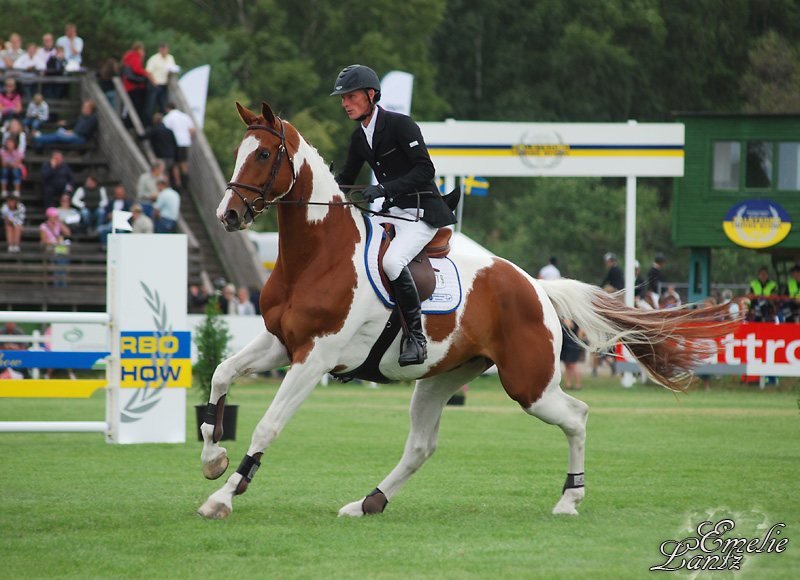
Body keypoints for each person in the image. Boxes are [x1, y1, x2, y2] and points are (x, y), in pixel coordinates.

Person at [331, 64, 456, 366]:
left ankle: (416, 337)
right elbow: (346, 178)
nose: (345, 104)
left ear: (371, 95)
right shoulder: (359, 137)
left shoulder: (401, 125)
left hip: (421, 211)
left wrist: (384, 189)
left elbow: (425, 169)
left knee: (390, 261)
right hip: (392, 213)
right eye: (343, 98)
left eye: (351, 97)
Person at [162, 102, 194, 188]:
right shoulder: (185, 116)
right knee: (183, 162)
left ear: (168, 109)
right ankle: (185, 177)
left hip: (175, 142)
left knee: (175, 164)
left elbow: (165, 131)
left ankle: (178, 183)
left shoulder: (167, 118)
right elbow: (191, 129)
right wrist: (188, 138)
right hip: (185, 142)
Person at [121, 42, 153, 126]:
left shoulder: (128, 56)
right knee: (137, 107)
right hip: (135, 87)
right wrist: (146, 73)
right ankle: (134, 124)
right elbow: (136, 69)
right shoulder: (135, 56)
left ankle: (130, 123)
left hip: (129, 86)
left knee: (131, 106)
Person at [40, 206, 71, 287]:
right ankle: (57, 283)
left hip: (58, 247)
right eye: (53, 216)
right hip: (49, 247)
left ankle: (63, 281)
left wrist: (60, 222)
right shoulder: (44, 226)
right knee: (57, 259)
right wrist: (54, 242)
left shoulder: (58, 224)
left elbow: (68, 232)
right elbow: (44, 240)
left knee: (63, 258)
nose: (54, 218)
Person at [145, 43, 178, 119]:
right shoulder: (154, 59)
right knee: (150, 105)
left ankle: (163, 121)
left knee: (163, 105)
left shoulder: (170, 58)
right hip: (155, 84)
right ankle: (148, 122)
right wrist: (154, 82)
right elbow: (148, 72)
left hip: (164, 84)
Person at [560, 318, 584, 390]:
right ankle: (568, 384)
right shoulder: (563, 319)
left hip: (572, 345)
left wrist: (565, 321)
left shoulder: (573, 320)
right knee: (567, 365)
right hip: (565, 345)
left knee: (573, 365)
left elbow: (570, 326)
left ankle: (578, 384)